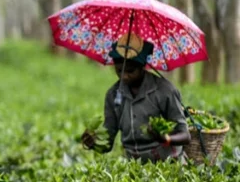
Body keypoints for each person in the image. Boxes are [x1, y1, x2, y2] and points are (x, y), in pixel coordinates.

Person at [81, 33, 191, 161]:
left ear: (142, 66)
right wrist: (93, 143)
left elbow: (185, 136)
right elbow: (108, 144)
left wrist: (165, 138)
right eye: (119, 70)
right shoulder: (113, 94)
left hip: (167, 162)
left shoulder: (165, 91)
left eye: (130, 71)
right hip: (133, 165)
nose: (124, 76)